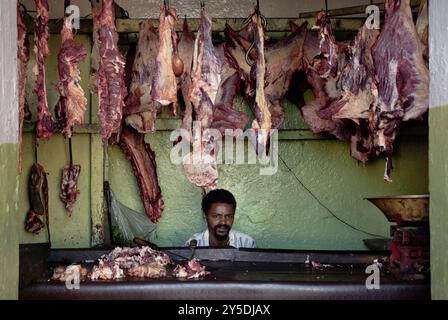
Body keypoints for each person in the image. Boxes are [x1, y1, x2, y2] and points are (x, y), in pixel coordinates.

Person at [185, 189, 256, 248]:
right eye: (216, 216)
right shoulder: (192, 246)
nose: (223, 222)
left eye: (228, 216)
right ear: (205, 216)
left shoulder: (247, 244)